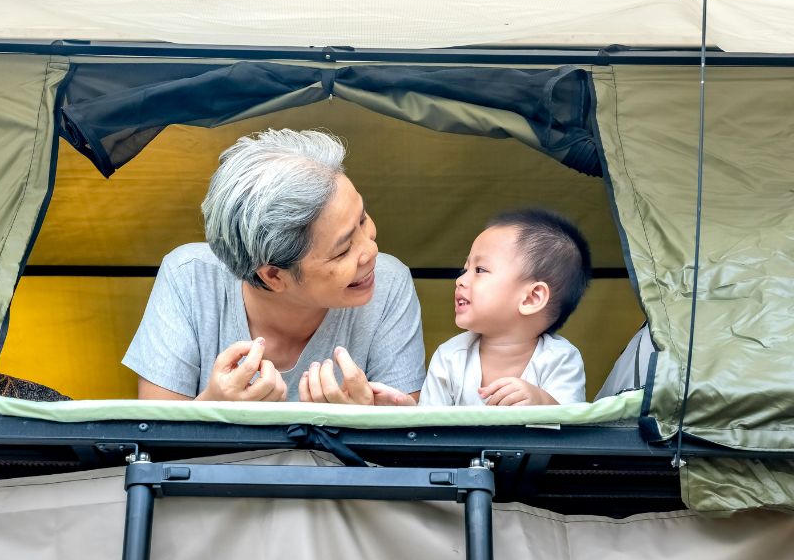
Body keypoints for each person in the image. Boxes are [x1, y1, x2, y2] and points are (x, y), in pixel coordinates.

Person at [124, 129, 423, 405]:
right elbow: (155, 449)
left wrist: (371, 427)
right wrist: (211, 409)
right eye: (343, 250)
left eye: (362, 218)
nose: (371, 249)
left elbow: (410, 448)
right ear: (273, 275)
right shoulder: (188, 278)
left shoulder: (388, 282)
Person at [416, 208, 591, 406]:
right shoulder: (449, 358)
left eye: (480, 270)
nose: (460, 280)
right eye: (464, 270)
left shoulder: (560, 361)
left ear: (531, 298)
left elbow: (572, 428)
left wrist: (542, 402)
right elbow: (430, 429)